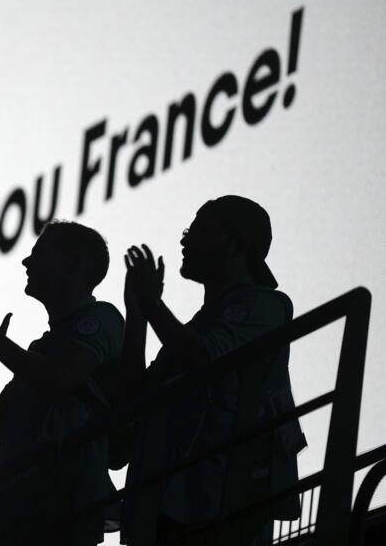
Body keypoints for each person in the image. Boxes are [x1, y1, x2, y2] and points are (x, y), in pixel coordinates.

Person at [121, 195, 306, 545]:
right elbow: (136, 396)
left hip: (222, 499)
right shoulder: (196, 325)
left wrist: (152, 303)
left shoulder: (265, 306)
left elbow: (204, 357)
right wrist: (138, 315)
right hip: (167, 502)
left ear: (238, 244)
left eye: (202, 230)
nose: (185, 239)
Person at [0, 220, 123, 546]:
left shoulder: (102, 319)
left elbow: (61, 379)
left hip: (65, 502)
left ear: (76, 264)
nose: (26, 263)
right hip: (16, 509)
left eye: (40, 254)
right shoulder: (38, 350)